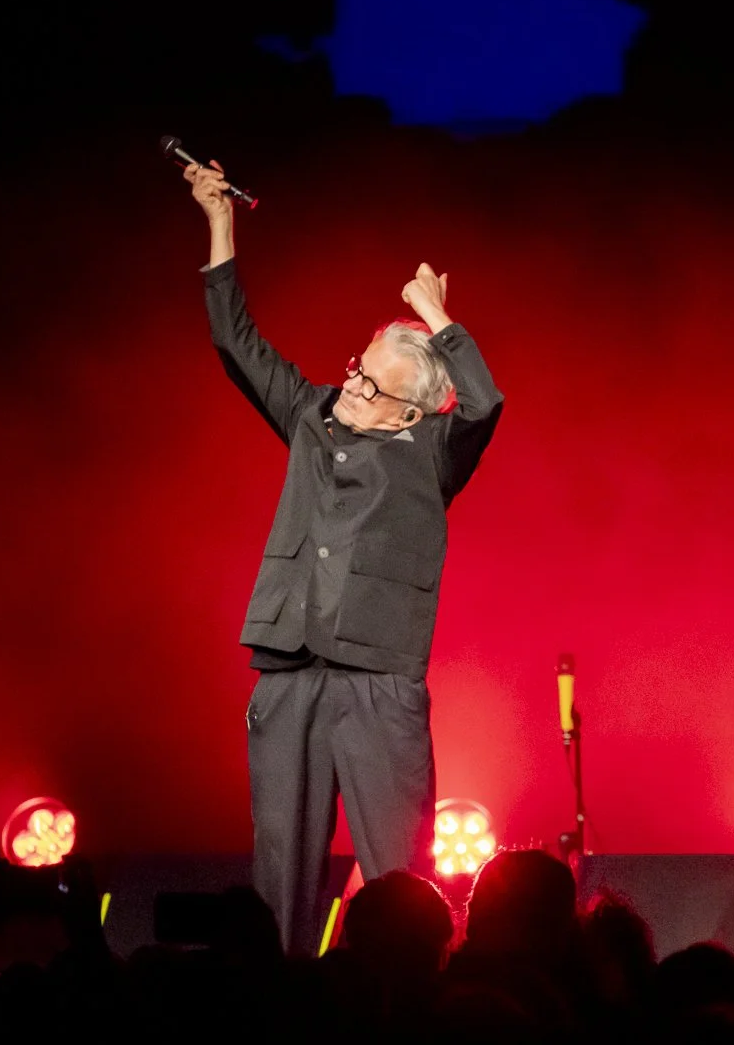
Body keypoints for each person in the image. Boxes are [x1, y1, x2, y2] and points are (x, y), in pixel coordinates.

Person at [184, 160, 505, 956]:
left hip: (378, 682)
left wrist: (436, 316)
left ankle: (411, 997)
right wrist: (221, 224)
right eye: (359, 370)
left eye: (373, 388)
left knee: (400, 879)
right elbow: (236, 342)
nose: (353, 387)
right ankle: (278, 1004)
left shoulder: (432, 453)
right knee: (280, 870)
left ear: (413, 412)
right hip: (289, 673)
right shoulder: (312, 413)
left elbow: (485, 401)